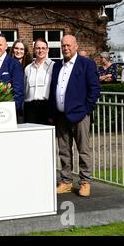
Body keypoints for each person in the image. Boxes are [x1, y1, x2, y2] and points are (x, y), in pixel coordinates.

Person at [48, 35, 100, 197]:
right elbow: (53, 90)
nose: (66, 48)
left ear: (76, 46)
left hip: (80, 115)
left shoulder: (86, 64)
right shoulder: (57, 66)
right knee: (64, 150)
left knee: (83, 150)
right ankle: (66, 181)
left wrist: (86, 109)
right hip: (61, 115)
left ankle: (85, 182)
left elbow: (94, 89)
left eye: (69, 45)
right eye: (63, 45)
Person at [0, 34, 24, 114]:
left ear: (6, 46)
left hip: (8, 112)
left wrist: (12, 111)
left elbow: (18, 92)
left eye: (0, 45)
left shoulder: (14, 64)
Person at [23, 38, 54, 125]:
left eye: (43, 48)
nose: (40, 50)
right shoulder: (28, 68)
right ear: (34, 50)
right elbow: (25, 89)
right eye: (38, 48)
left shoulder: (54, 66)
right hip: (30, 108)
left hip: (46, 108)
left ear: (48, 50)